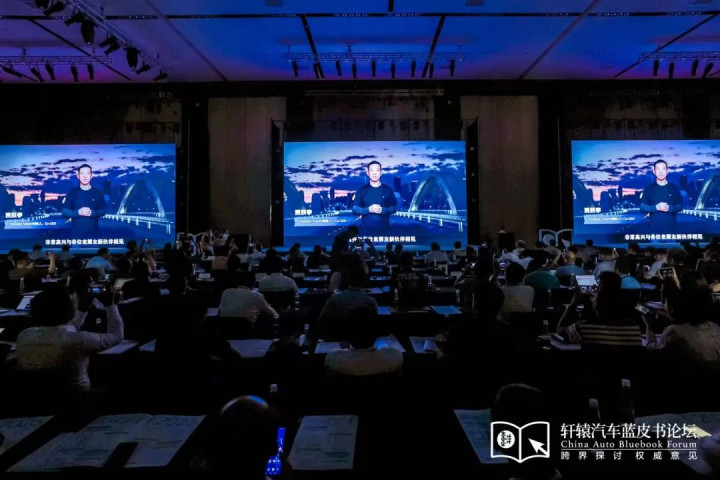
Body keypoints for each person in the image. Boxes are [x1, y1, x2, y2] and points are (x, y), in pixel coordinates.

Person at [15, 286, 123, 392]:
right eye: (72, 303)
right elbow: (117, 336)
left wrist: (82, 310)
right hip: (78, 398)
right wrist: (111, 305)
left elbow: (61, 332)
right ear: (67, 310)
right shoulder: (79, 341)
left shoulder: (24, 336)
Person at [61, 164, 106, 239]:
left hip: (93, 237)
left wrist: (92, 213)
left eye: (87, 173)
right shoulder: (72, 192)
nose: (85, 176)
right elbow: (64, 211)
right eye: (82, 173)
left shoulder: (97, 193)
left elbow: (103, 211)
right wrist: (78, 212)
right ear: (78, 176)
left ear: (91, 176)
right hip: (76, 237)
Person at [351, 161, 397, 233]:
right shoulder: (362, 190)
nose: (374, 173)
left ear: (381, 172)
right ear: (368, 173)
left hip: (385, 232)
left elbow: (394, 208)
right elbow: (354, 209)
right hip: (366, 232)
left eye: (377, 170)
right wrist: (369, 209)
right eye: (372, 170)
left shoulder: (388, 189)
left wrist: (383, 210)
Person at [640, 160, 683, 232]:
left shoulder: (674, 188)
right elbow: (642, 207)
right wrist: (656, 207)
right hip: (654, 230)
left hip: (672, 230)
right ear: (654, 171)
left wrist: (669, 208)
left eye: (663, 169)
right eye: (658, 169)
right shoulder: (649, 188)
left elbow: (680, 206)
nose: (661, 172)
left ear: (667, 171)